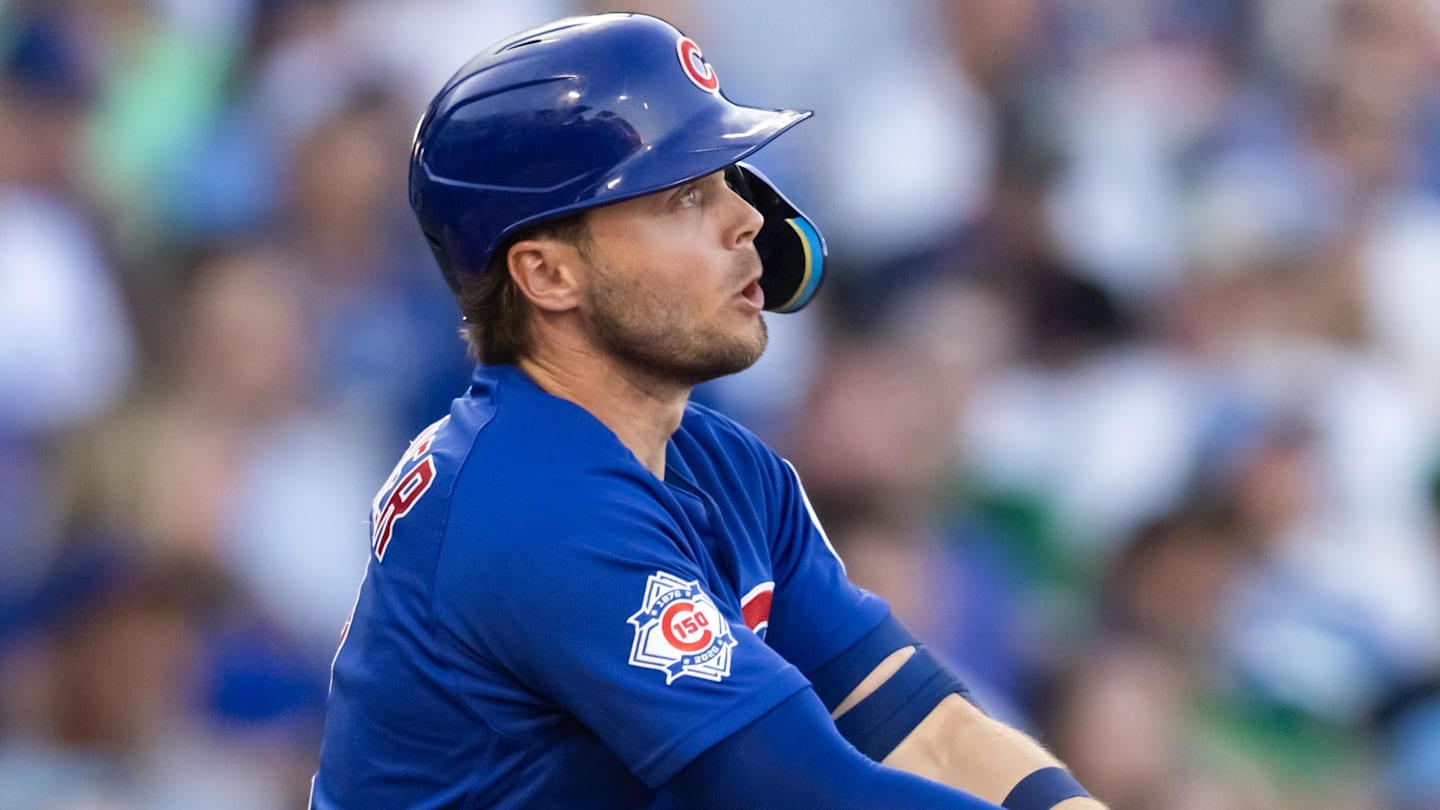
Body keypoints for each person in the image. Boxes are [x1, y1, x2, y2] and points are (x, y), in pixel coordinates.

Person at [312, 13, 1105, 810]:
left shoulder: (725, 467)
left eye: (729, 178)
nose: (748, 219)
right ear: (549, 274)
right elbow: (803, 791)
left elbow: (919, 726)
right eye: (684, 196)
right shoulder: (530, 504)